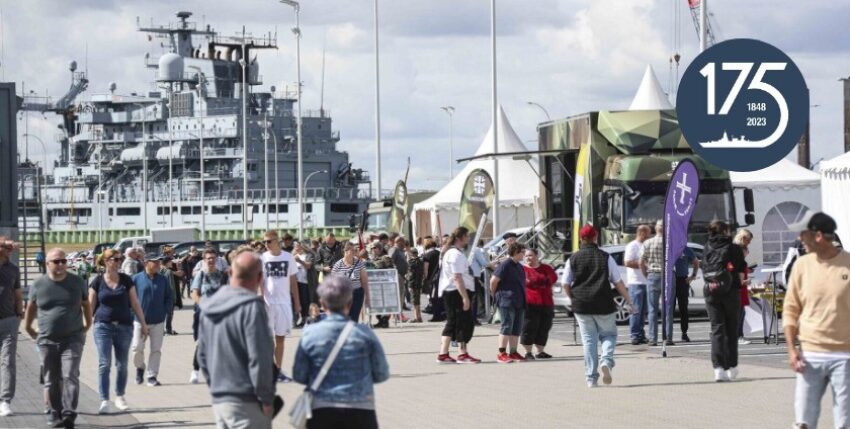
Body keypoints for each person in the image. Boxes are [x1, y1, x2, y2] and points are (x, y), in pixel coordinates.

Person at [293, 276, 390, 429]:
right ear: (350, 304)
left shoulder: (310, 334)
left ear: (323, 304)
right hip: (361, 409)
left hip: (321, 409)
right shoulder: (365, 334)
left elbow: (299, 375)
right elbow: (382, 373)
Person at [783, 212, 850, 429]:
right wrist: (792, 350)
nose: (800, 239)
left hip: (845, 357)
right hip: (810, 355)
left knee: (845, 422)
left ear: (818, 235)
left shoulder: (848, 265)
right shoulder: (802, 266)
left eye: (803, 234)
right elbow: (791, 310)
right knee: (803, 421)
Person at [198, 249, 276, 429]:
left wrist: (216, 386)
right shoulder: (252, 308)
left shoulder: (208, 306)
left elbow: (202, 355)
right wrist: (265, 398)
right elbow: (260, 358)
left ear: (230, 272)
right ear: (259, 278)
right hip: (247, 400)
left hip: (220, 399)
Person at [24, 248, 93, 427]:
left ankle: (69, 413)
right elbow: (31, 307)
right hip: (47, 340)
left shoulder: (77, 282)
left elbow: (86, 304)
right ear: (47, 264)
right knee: (52, 378)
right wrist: (28, 328)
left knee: (70, 374)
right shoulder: (39, 284)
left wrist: (87, 325)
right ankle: (55, 414)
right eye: (56, 261)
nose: (61, 264)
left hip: (73, 338)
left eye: (63, 261)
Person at [563, 225, 634, 388]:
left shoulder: (573, 258)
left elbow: (566, 283)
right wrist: (629, 301)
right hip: (603, 303)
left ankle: (591, 379)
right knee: (609, 335)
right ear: (595, 238)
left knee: (589, 341)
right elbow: (618, 282)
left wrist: (573, 298)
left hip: (581, 305)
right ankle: (606, 361)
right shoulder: (605, 257)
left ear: (581, 239)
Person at [89, 249, 149, 414]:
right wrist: (84, 325)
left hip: (124, 326)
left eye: (119, 259)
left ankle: (120, 396)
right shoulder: (97, 281)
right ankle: (104, 400)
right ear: (106, 261)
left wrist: (143, 323)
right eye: (114, 259)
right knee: (104, 364)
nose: (118, 262)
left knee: (122, 364)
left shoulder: (126, 280)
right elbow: (90, 305)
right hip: (103, 326)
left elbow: (135, 303)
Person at [702, 221, 747, 382]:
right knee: (731, 329)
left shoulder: (707, 246)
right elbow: (742, 269)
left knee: (717, 329)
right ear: (726, 231)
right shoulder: (734, 248)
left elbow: (704, 268)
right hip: (730, 292)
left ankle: (718, 369)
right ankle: (732, 367)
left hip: (711, 290)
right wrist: (739, 282)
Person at [260, 230, 301, 383]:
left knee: (280, 338)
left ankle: (278, 369)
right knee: (268, 338)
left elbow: (293, 281)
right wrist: (260, 299)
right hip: (268, 302)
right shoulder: (263, 258)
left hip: (284, 303)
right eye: (265, 241)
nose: (266, 244)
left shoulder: (288, 257)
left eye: (269, 241)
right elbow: (261, 281)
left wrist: (297, 303)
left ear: (277, 241)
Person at [436, 227, 480, 364]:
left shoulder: (451, 253)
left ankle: (445, 353)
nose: (468, 239)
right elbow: (457, 277)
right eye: (467, 236)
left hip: (452, 291)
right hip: (456, 292)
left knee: (455, 322)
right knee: (462, 322)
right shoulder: (455, 254)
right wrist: (465, 297)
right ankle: (461, 353)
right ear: (460, 238)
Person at [131, 254, 173, 387]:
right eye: (154, 262)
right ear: (146, 263)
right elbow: (130, 299)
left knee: (156, 349)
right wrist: (133, 314)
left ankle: (152, 376)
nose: (157, 264)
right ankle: (140, 367)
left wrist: (165, 311)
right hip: (139, 320)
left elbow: (169, 297)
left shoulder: (163, 279)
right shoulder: (136, 279)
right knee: (137, 348)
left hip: (158, 321)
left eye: (159, 262)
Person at [189, 248, 228, 385]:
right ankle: (195, 371)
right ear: (204, 260)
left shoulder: (222, 275)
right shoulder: (201, 274)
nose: (211, 260)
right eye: (208, 258)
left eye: (213, 258)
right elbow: (194, 294)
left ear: (217, 260)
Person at [490, 242, 528, 363]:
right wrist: (494, 294)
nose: (524, 255)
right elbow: (493, 281)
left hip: (519, 300)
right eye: (523, 252)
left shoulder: (519, 266)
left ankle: (513, 352)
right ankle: (501, 353)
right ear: (516, 252)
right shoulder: (505, 264)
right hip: (507, 300)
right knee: (506, 326)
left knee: (516, 328)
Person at [521, 248, 558, 360]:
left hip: (546, 302)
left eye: (531, 255)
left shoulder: (546, 268)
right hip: (530, 303)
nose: (528, 258)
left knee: (544, 326)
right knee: (529, 327)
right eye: (526, 256)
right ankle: (528, 352)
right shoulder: (522, 270)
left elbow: (553, 278)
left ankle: (540, 351)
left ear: (537, 256)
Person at [0, 237, 22, 417]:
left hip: (9, 320)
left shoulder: (13, 269)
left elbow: (18, 293)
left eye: (11, 247)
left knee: (8, 361)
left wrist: (19, 314)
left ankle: (5, 400)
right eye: (6, 247)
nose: (10, 249)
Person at [640, 220, 672, 346]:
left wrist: (646, 275)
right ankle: (668, 337)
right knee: (668, 308)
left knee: (652, 309)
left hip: (653, 275)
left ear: (655, 229)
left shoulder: (647, 242)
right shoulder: (670, 242)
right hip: (667, 275)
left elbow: (641, 261)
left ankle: (653, 338)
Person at [331, 241, 370, 323]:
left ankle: (352, 333)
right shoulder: (338, 265)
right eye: (352, 250)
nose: (354, 252)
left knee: (354, 317)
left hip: (357, 293)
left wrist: (367, 297)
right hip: (344, 294)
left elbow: (364, 282)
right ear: (345, 251)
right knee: (344, 317)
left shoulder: (359, 263)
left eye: (355, 250)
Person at [624, 224, 650, 345]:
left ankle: (640, 334)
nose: (650, 235)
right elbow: (628, 262)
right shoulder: (632, 246)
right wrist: (642, 265)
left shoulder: (645, 245)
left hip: (646, 281)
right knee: (636, 310)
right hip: (636, 282)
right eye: (648, 233)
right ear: (642, 233)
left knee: (643, 311)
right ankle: (634, 335)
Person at [673, 246, 699, 342]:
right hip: (671, 280)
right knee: (670, 308)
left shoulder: (686, 249)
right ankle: (668, 334)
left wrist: (693, 276)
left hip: (682, 280)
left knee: (683, 307)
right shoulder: (669, 248)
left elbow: (696, 262)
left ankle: (684, 333)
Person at [733, 229, 754, 345]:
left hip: (740, 284)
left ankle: (738, 336)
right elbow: (733, 269)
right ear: (744, 238)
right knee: (739, 312)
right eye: (749, 241)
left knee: (741, 312)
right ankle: (738, 336)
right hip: (738, 285)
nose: (749, 243)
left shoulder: (737, 250)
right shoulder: (736, 251)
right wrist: (744, 281)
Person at [421, 238, 444, 322]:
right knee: (439, 297)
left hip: (431, 279)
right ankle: (440, 314)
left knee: (432, 297)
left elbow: (426, 269)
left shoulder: (427, 255)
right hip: (440, 277)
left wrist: (425, 279)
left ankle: (436, 315)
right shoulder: (439, 253)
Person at [293, 241, 315, 327]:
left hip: (306, 282)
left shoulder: (309, 255)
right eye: (295, 246)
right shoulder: (293, 256)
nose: (297, 248)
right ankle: (301, 319)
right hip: (296, 282)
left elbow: (308, 266)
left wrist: (299, 261)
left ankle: (307, 319)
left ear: (303, 247)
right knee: (299, 302)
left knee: (306, 302)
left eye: (298, 246)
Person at [469, 239, 490, 322]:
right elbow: (484, 263)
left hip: (465, 275)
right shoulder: (476, 250)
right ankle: (473, 318)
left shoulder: (465, 249)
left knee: (469, 297)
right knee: (474, 297)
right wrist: (492, 264)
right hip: (474, 275)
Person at [405, 248, 424, 323]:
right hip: (419, 283)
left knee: (414, 301)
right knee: (417, 300)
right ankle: (419, 317)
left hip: (413, 284)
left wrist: (409, 285)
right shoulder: (420, 261)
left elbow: (411, 275)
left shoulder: (411, 262)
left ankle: (417, 317)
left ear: (411, 254)